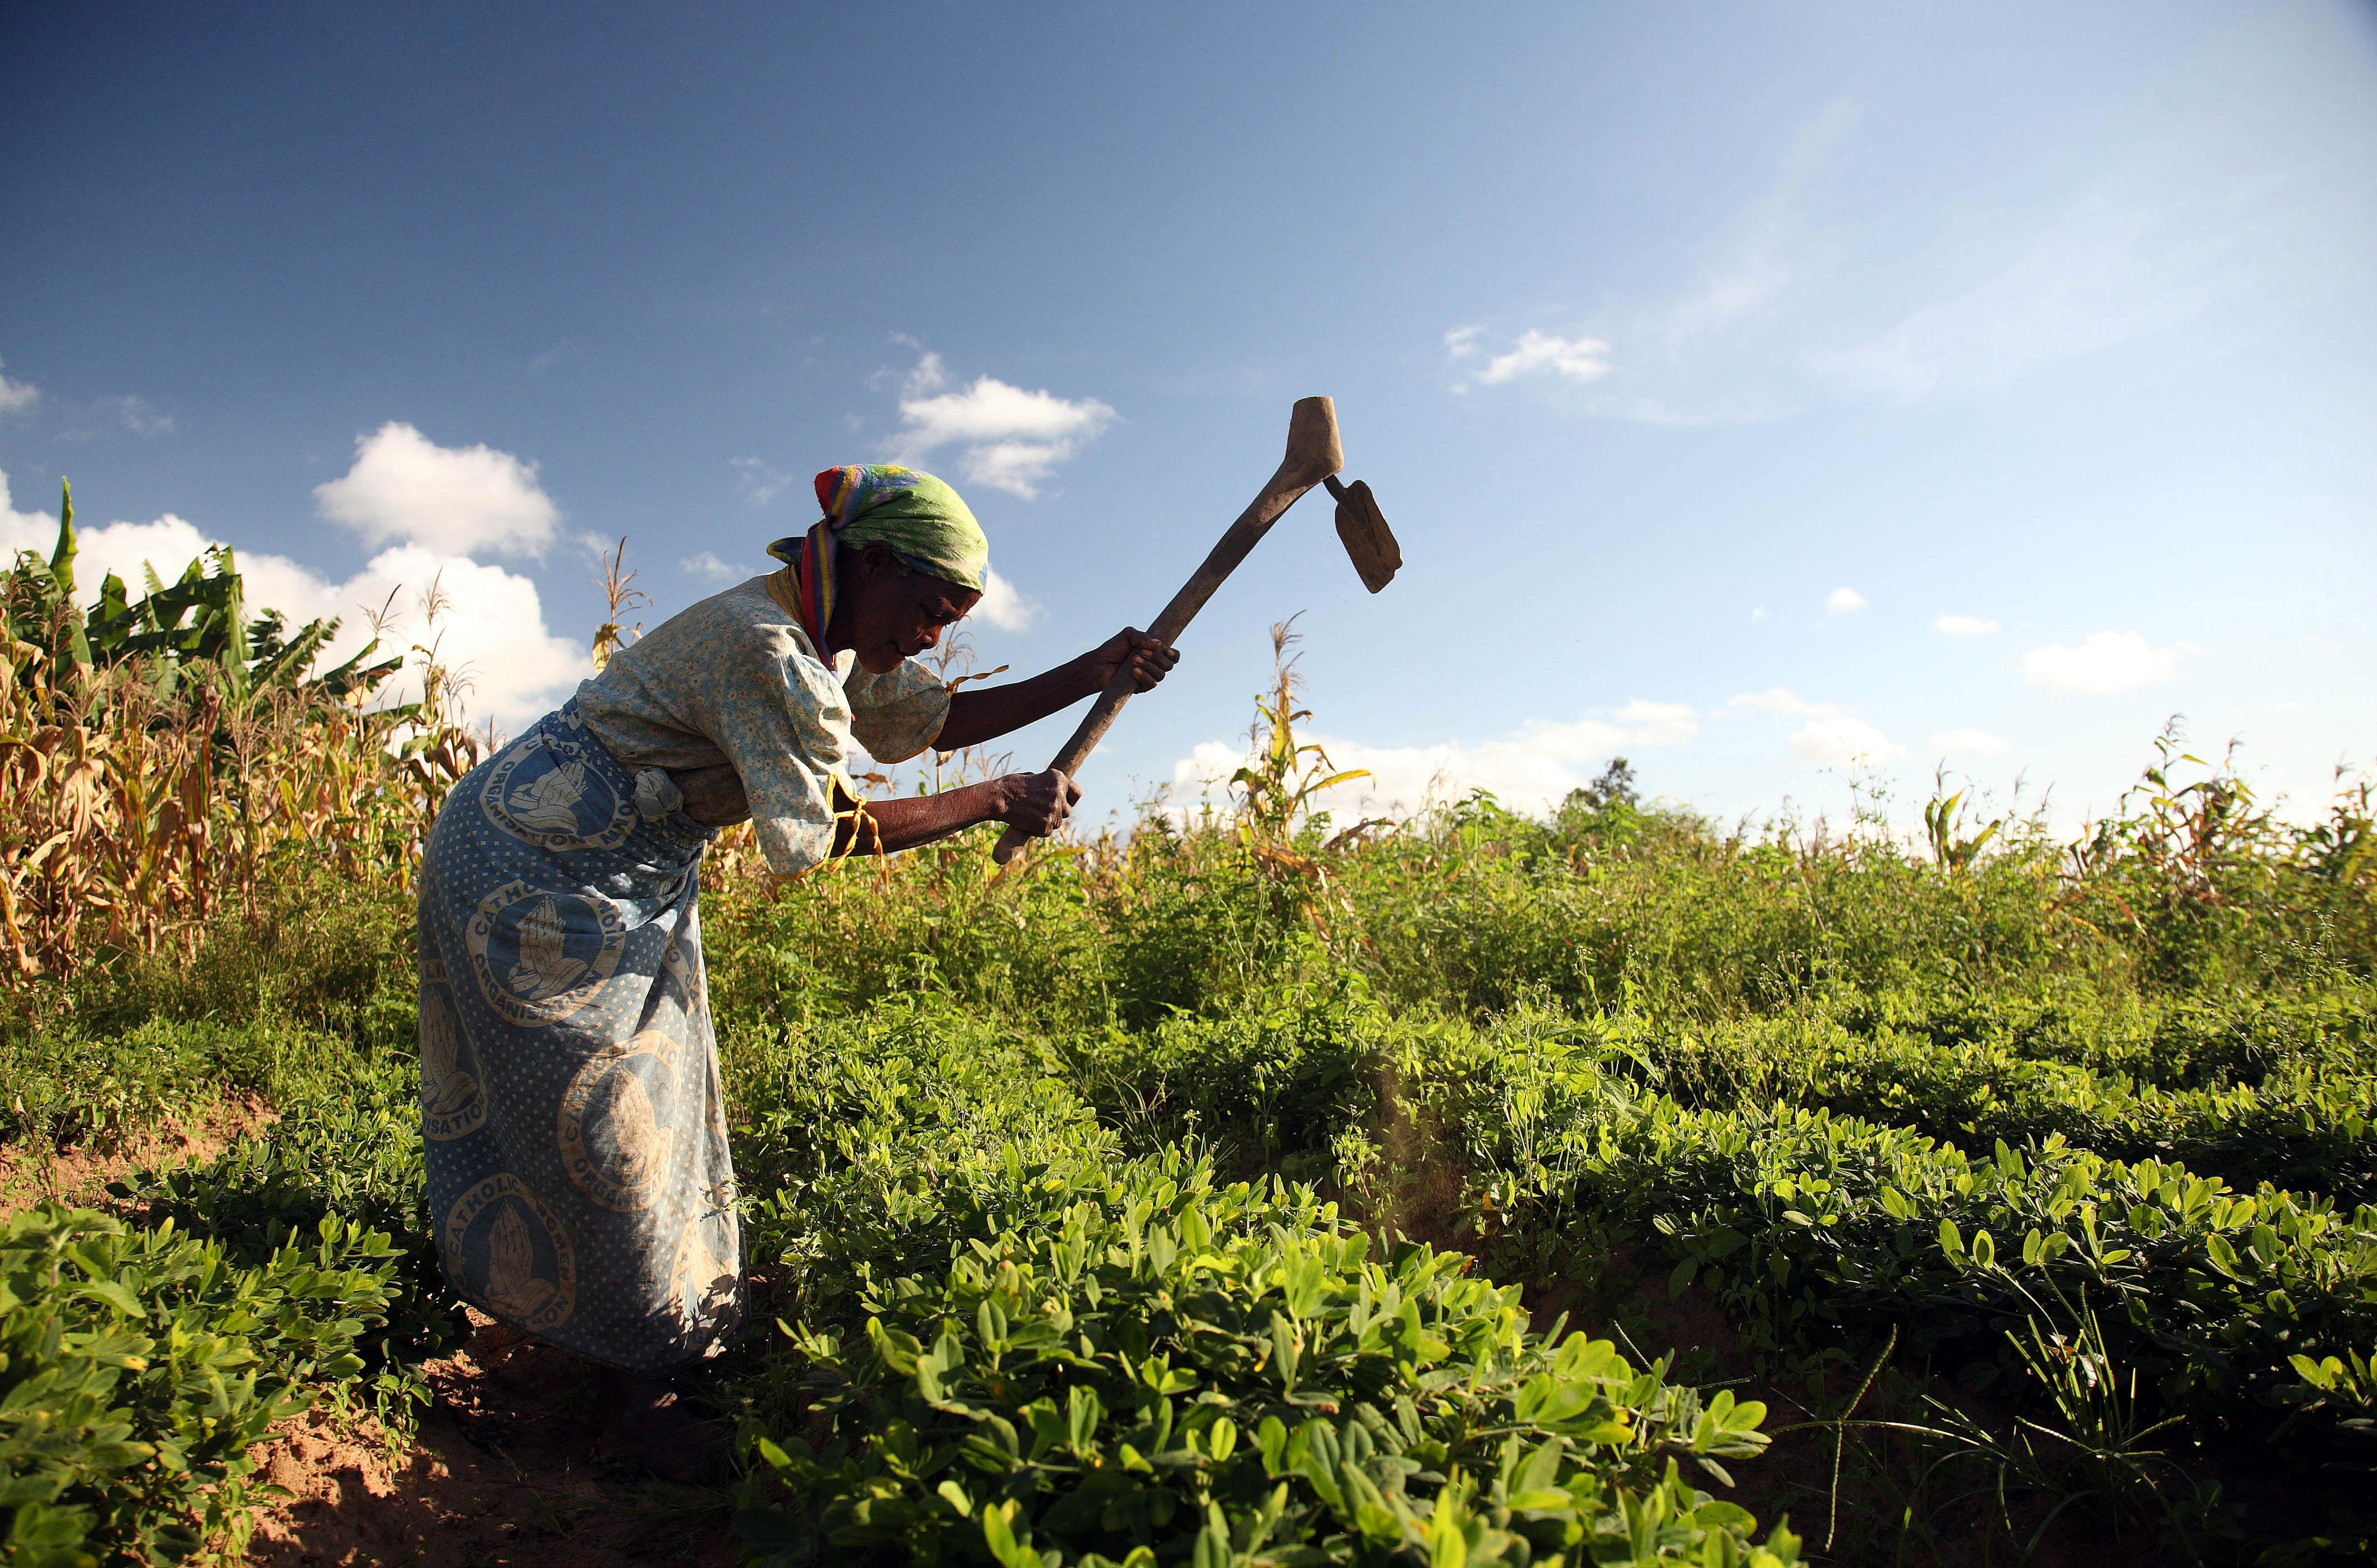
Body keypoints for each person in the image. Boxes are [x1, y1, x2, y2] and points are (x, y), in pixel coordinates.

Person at [413, 465, 1175, 1481]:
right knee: (610, 1120)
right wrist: (997, 800)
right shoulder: (768, 648)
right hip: (534, 865)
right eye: (926, 607)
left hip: (622, 865)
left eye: (952, 618)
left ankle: (642, 1344)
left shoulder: (819, 632)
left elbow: (924, 722)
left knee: (659, 1107)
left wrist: (1095, 671)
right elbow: (827, 834)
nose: (932, 635)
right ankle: (633, 1397)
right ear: (866, 561)